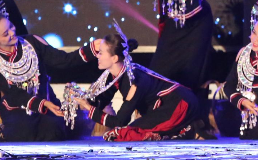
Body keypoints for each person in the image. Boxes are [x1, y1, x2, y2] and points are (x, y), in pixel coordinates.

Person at [0, 14, 93, 141]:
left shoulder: (32, 42)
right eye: (6, 34)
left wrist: (91, 49)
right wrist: (43, 104)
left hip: (48, 103)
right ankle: (2, 135)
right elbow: (15, 95)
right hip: (17, 108)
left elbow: (63, 60)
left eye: (11, 26)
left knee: (53, 131)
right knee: (23, 134)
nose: (12, 32)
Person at [75, 31, 203, 141]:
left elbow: (120, 121)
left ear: (114, 58)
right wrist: (79, 99)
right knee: (125, 132)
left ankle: (186, 128)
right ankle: (182, 129)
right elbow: (101, 99)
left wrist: (88, 107)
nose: (97, 55)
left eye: (101, 53)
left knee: (121, 134)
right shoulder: (114, 74)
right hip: (166, 105)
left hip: (178, 104)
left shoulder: (133, 81)